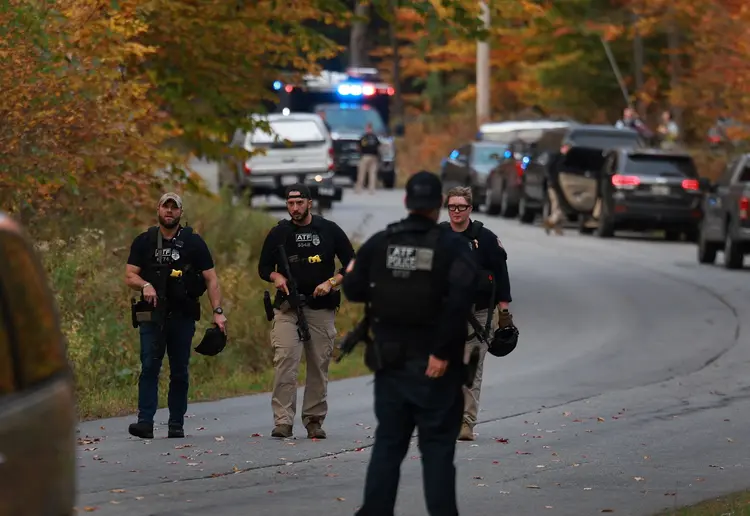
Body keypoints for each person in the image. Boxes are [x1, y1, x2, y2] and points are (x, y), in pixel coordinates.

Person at [342, 171, 478, 516]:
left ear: (406, 202)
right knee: (436, 453)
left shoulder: (380, 243)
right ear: (438, 207)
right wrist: (441, 354)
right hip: (437, 370)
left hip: (390, 367)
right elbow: (460, 303)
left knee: (388, 446)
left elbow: (354, 289)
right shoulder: (452, 248)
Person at [125, 192, 227, 439]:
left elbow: (211, 278)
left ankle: (175, 424)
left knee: (179, 369)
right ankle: (145, 422)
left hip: (182, 314)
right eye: (165, 206)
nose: (169, 211)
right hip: (152, 314)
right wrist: (145, 285)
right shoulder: (145, 241)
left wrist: (218, 312)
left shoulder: (193, 242)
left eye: (174, 207)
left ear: (181, 212)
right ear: (158, 210)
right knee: (149, 365)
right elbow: (130, 275)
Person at [258, 184, 355, 439]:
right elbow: (264, 266)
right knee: (286, 362)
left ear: (309, 203)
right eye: (290, 204)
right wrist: (276, 276)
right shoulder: (280, 232)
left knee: (318, 365)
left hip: (320, 308)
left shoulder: (328, 230)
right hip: (288, 307)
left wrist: (331, 282)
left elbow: (352, 262)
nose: (295, 208)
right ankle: (283, 420)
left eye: (299, 203)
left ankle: (314, 419)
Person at [440, 186, 514, 441]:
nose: (456, 211)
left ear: (470, 209)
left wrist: (504, 311)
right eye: (452, 207)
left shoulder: (487, 239)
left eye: (461, 207)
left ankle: (466, 422)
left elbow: (501, 275)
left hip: (478, 314)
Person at [355, 122, 380, 194]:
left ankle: (359, 188)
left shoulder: (364, 137)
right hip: (374, 157)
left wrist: (360, 152)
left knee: (361, 173)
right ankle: (371, 189)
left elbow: (359, 146)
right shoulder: (375, 137)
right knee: (372, 174)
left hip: (365, 156)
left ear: (367, 128)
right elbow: (378, 146)